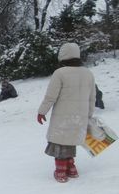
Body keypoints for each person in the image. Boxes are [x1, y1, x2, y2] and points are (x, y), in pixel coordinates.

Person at [37, 42, 95, 183]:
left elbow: (51, 96)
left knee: (59, 144)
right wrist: (89, 115)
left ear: (62, 56)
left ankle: (61, 172)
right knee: (70, 142)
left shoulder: (60, 73)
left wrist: (42, 111)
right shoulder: (88, 73)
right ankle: (72, 170)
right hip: (79, 117)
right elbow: (92, 97)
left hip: (63, 117)